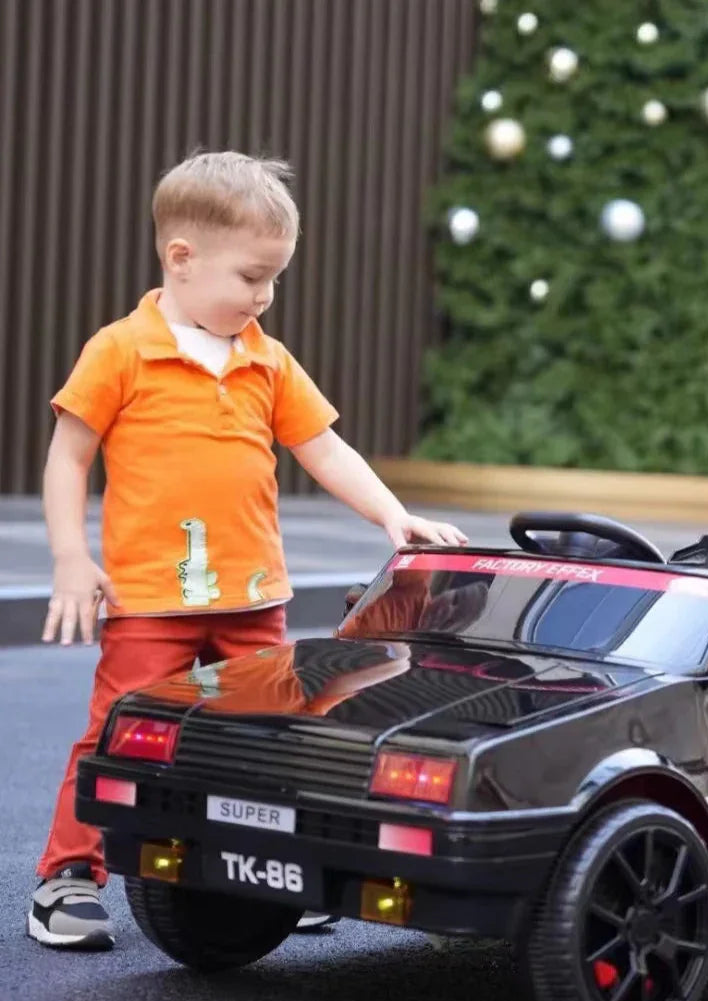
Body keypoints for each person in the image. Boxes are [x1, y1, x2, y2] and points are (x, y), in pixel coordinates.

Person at [28, 150, 468, 950]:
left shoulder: (266, 358)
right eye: (251, 276)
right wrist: (69, 555)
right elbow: (69, 454)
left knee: (269, 741)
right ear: (181, 259)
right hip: (153, 600)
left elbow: (325, 449)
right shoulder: (122, 349)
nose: (264, 296)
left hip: (254, 600)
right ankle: (68, 875)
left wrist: (392, 515)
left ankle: (273, 874)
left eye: (275, 279)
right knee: (115, 733)